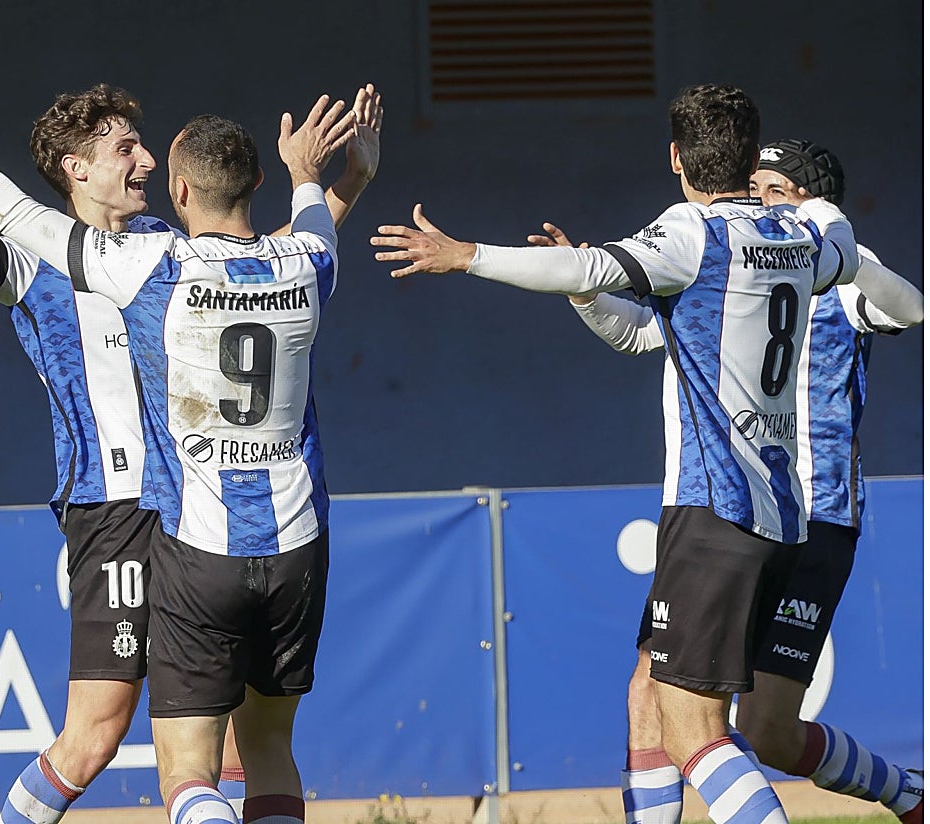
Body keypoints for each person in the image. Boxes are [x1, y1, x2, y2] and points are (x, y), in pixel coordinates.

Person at [0, 51, 379, 824]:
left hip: (204, 506)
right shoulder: (34, 260)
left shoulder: (162, 248)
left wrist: (341, 183)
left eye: (146, 147)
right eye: (125, 148)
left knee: (243, 746)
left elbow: (267, 256)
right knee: (96, 733)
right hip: (115, 512)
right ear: (77, 169)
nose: (146, 159)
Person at [367, 84, 909, 824]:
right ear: (750, 163)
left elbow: (597, 268)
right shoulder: (806, 244)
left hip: (716, 511)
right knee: (655, 696)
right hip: (776, 513)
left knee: (697, 734)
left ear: (677, 158)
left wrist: (466, 256)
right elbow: (633, 323)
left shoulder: (694, 233)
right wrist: (817, 210)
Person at [537, 138, 923, 824]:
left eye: (775, 190)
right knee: (660, 698)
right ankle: (911, 795)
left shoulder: (839, 277)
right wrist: (583, 290)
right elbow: (644, 335)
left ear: (814, 201)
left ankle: (907, 793)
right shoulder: (736, 261)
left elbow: (912, 309)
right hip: (741, 505)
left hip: (816, 513)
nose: (760, 202)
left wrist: (846, 253)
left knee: (757, 726)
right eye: (756, 187)